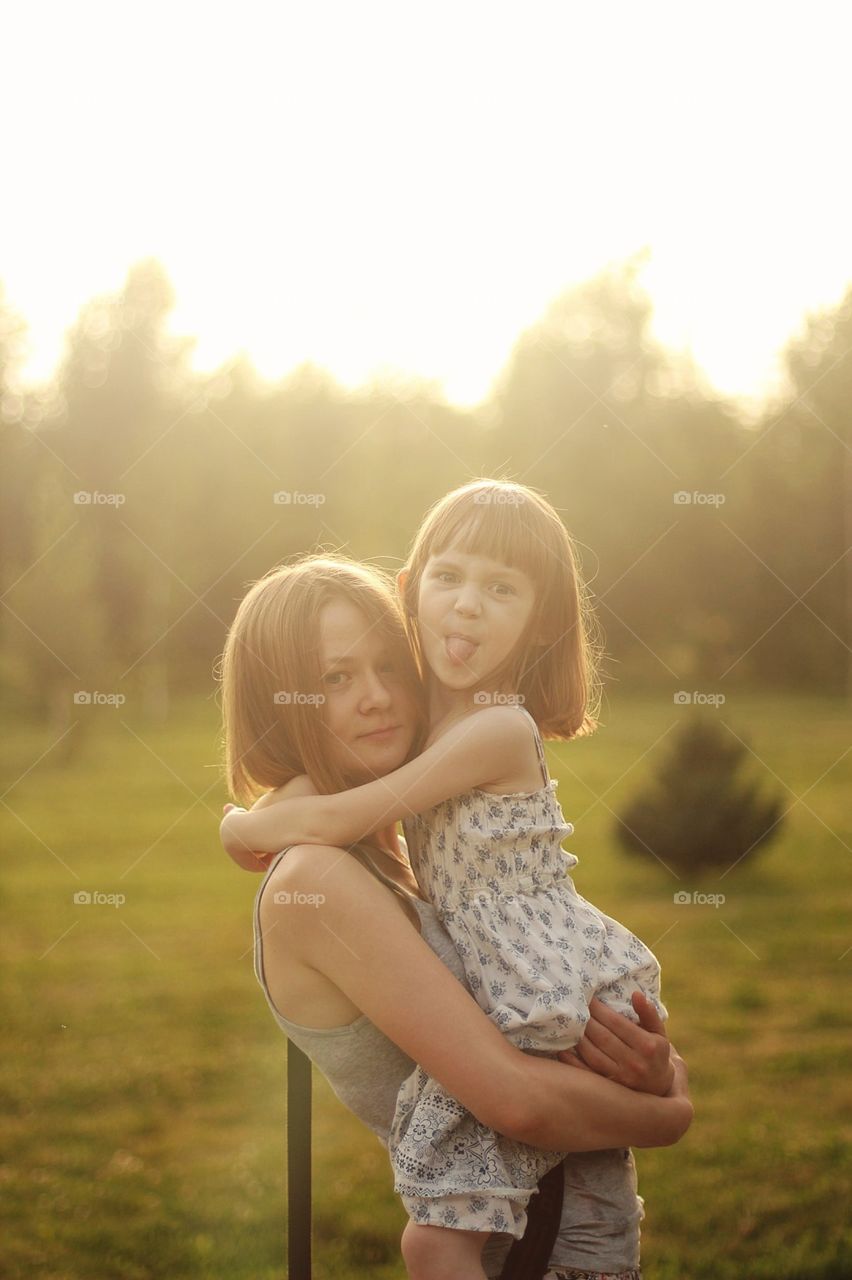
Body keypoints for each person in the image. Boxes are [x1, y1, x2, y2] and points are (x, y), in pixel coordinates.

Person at [220, 545, 691, 1279]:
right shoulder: (314, 880)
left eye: (388, 666)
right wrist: (670, 1111)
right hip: (521, 1254)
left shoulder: (412, 846)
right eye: (335, 679)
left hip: (577, 1227)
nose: (376, 696)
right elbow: (517, 1103)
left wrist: (652, 1064)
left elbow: (540, 1010)